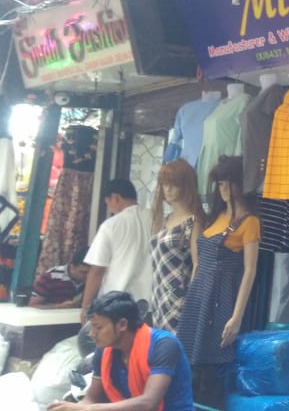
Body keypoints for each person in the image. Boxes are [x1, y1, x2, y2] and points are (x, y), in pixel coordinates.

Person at [175, 156, 260, 408]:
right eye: (220, 183)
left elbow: (250, 271)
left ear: (240, 184)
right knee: (188, 364)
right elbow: (199, 261)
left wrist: (236, 317)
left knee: (212, 367)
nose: (223, 189)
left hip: (221, 299)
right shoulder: (217, 217)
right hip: (199, 296)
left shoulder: (250, 222)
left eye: (228, 183)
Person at [47, 291, 193, 411]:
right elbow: (91, 399)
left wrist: (89, 409)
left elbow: (148, 403)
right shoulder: (103, 351)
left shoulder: (164, 345)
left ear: (122, 324)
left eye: (98, 327)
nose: (91, 334)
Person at [81, 180, 153, 325]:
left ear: (115, 198)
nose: (109, 208)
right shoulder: (157, 219)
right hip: (150, 305)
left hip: (117, 306)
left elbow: (97, 270)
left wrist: (85, 307)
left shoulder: (111, 225)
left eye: (108, 203)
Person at [150, 159, 203, 332]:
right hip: (158, 295)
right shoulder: (166, 220)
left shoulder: (192, 221)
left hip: (178, 296)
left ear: (185, 186)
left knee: (173, 342)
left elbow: (197, 264)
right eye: (165, 184)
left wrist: (192, 301)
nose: (168, 189)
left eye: (173, 184)